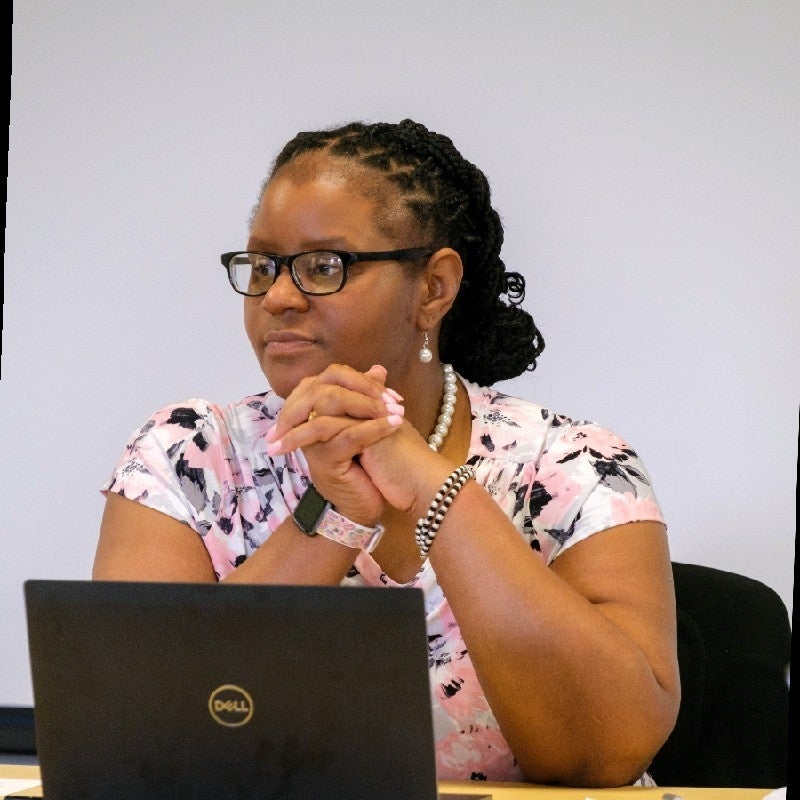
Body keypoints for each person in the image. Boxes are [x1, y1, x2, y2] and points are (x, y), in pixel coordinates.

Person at [93, 119, 680, 787]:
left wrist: (434, 487)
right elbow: (140, 742)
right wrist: (335, 512)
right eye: (262, 267)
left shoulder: (575, 466)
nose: (278, 298)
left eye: (323, 266)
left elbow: (604, 754)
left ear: (433, 288)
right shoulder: (187, 456)